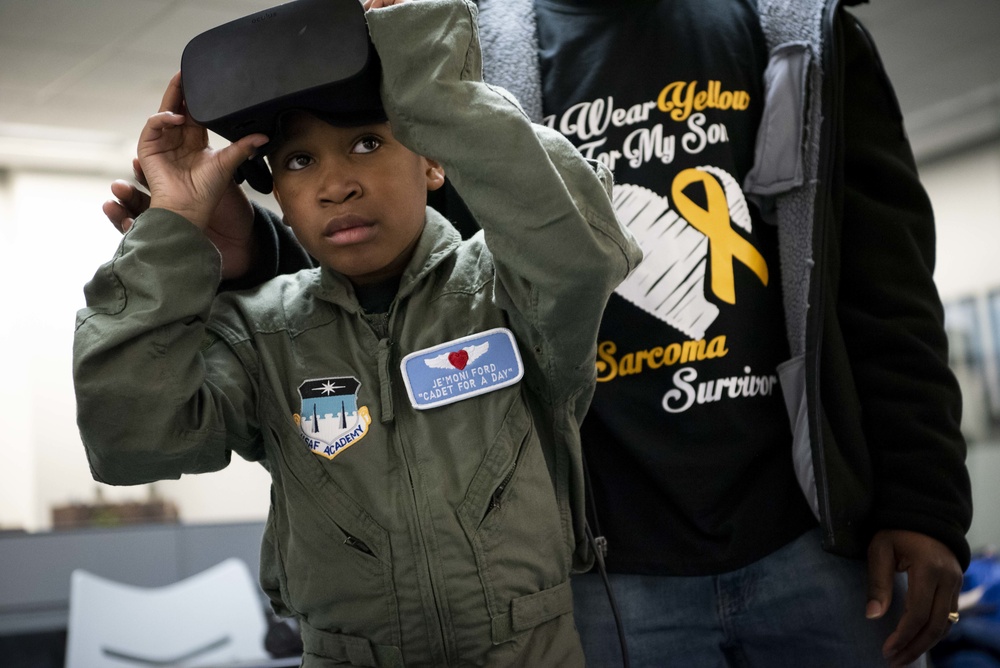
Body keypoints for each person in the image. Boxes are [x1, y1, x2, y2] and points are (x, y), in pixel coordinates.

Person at [104, 0, 973, 665]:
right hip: (599, 566)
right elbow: (396, 266)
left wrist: (923, 500)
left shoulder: (795, 28)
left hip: (812, 540)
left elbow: (883, 284)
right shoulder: (467, 47)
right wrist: (247, 249)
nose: (333, 176)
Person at [75, 0, 641, 665]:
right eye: (297, 162)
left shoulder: (506, 290)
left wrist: (433, 85)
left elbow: (577, 246)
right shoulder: (263, 334)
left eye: (367, 144)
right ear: (279, 196)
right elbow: (130, 441)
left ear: (432, 161)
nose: (335, 185)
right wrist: (170, 228)